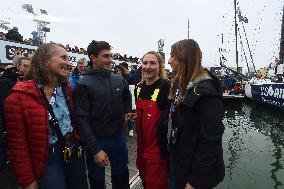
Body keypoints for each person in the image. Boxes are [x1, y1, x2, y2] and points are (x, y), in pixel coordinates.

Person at [3, 42, 89, 189]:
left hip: (73, 150)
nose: (68, 63)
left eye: (68, 59)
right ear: (45, 60)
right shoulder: (18, 97)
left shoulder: (66, 88)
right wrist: (27, 180)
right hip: (47, 159)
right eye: (63, 58)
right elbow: (17, 145)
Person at [74, 40, 132, 189]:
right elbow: (82, 119)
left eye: (110, 55)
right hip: (97, 140)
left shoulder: (119, 79)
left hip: (118, 137)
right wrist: (95, 149)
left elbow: (127, 98)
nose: (110, 60)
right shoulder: (83, 84)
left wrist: (126, 113)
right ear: (93, 58)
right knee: (97, 180)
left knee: (121, 177)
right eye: (106, 56)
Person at [167, 39, 225, 189]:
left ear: (184, 57)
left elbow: (211, 139)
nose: (169, 60)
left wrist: (195, 181)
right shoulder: (181, 85)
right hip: (179, 159)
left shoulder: (207, 92)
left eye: (173, 55)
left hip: (192, 172)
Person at [135, 51, 170, 189]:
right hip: (140, 148)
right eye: (145, 63)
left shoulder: (166, 87)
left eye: (153, 63)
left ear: (160, 66)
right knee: (144, 180)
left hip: (157, 150)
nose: (148, 67)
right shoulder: (138, 88)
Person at [114, 65, 134, 137]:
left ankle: (131, 129)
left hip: (126, 99)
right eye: (117, 71)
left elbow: (129, 92)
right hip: (118, 100)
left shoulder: (126, 78)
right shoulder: (114, 79)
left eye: (120, 70)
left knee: (127, 113)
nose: (118, 72)